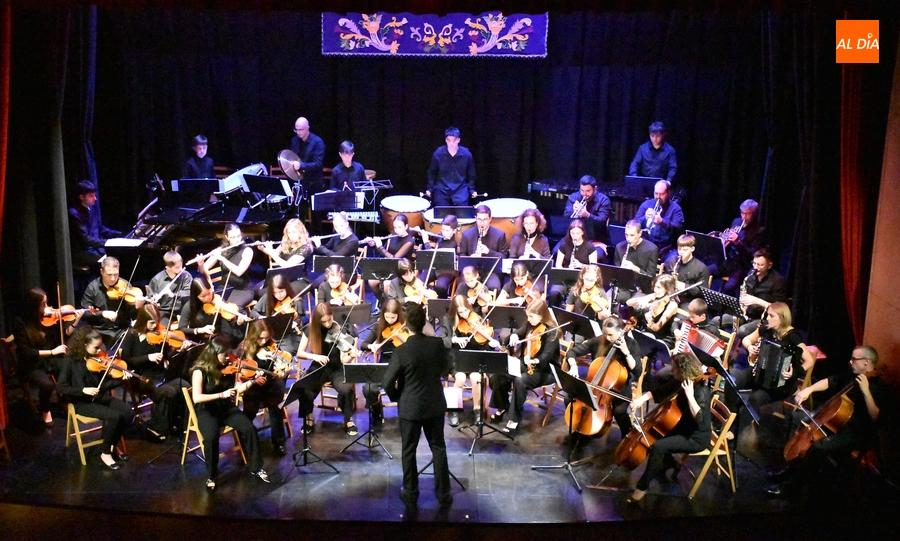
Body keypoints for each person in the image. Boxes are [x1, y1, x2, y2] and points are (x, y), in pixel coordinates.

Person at [767, 345, 892, 495]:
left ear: (866, 362)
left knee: (819, 445)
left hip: (855, 431)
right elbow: (830, 381)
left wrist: (866, 392)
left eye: (854, 359)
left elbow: (875, 417)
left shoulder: (879, 387)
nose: (850, 362)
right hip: (834, 422)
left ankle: (795, 486)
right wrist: (809, 389)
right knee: (798, 418)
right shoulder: (852, 375)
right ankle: (792, 467)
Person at [381, 303, 453, 509]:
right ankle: (444, 494)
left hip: (410, 407)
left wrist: (398, 397)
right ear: (424, 322)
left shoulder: (402, 351)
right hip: (434, 404)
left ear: (406, 325)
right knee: (438, 448)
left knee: (408, 451)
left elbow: (387, 383)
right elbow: (446, 368)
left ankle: (411, 493)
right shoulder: (438, 344)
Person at [627, 351, 711, 502]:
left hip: (695, 437)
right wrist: (640, 400)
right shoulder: (683, 380)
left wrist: (690, 396)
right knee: (657, 433)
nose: (671, 371)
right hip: (684, 426)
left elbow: (699, 418)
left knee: (658, 446)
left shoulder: (701, 391)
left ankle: (642, 486)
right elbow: (662, 390)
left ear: (683, 371)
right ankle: (669, 463)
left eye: (674, 369)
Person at [725, 302, 815, 440]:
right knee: (731, 380)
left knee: (756, 398)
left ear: (782, 318)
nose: (767, 318)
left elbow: (809, 360)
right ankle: (732, 416)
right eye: (768, 314)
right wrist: (750, 347)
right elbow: (747, 339)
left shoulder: (792, 337)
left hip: (780, 383)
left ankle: (735, 430)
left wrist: (794, 372)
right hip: (760, 371)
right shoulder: (766, 329)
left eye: (772, 316)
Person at [190, 335, 269, 491]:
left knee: (249, 428)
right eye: (224, 355)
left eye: (228, 354)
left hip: (226, 408)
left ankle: (256, 467)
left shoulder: (229, 368)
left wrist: (252, 382)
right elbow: (197, 398)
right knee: (211, 438)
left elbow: (237, 388)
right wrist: (221, 394)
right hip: (207, 410)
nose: (228, 358)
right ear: (214, 353)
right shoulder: (199, 371)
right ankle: (211, 476)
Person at [56, 327, 134, 470]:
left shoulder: (97, 361)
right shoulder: (71, 361)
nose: (100, 351)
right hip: (81, 402)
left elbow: (102, 386)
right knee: (114, 417)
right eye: (96, 348)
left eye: (100, 347)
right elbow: (61, 387)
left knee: (128, 412)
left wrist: (121, 379)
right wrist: (82, 390)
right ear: (84, 345)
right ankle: (105, 453)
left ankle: (111, 444)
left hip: (99, 398)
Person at [120, 304, 189, 442]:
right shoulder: (131, 335)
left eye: (156, 322)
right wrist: (147, 358)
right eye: (151, 323)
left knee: (185, 386)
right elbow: (125, 361)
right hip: (140, 377)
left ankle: (176, 423)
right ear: (143, 320)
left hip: (159, 375)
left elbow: (167, 356)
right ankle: (155, 427)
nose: (154, 326)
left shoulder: (158, 334)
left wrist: (177, 351)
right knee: (168, 392)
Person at [489, 299, 560, 434]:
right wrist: (515, 335)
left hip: (546, 369)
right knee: (500, 372)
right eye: (528, 316)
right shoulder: (530, 324)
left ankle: (514, 418)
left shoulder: (553, 332)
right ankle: (503, 406)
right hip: (528, 363)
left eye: (531, 316)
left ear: (541, 315)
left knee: (520, 380)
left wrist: (534, 361)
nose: (529, 319)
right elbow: (519, 332)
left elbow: (546, 356)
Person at [13, 288, 81, 425]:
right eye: (43, 304)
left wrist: (76, 322)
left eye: (46, 303)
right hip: (31, 363)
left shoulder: (47, 319)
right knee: (47, 385)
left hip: (49, 360)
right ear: (33, 306)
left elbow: (65, 334)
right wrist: (52, 352)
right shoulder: (20, 322)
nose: (48, 307)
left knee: (68, 370)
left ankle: (65, 400)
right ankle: (45, 409)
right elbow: (26, 352)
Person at [294, 303, 360, 436]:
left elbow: (343, 360)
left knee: (346, 389)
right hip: (319, 366)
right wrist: (315, 356)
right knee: (304, 388)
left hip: (336, 367)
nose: (327, 323)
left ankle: (348, 419)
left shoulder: (340, 330)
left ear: (332, 315)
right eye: (323, 321)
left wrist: (351, 356)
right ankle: (309, 417)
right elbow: (300, 353)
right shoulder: (310, 329)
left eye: (329, 319)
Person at [441, 295, 500, 426]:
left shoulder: (476, 317)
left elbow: (482, 344)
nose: (464, 314)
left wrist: (489, 344)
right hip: (456, 358)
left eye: (466, 311)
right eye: (460, 312)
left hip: (474, 357)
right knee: (460, 378)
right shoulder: (448, 320)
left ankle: (477, 409)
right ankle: (453, 409)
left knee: (476, 377)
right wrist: (455, 339)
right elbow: (441, 340)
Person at [238, 320, 290, 456]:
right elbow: (239, 372)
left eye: (266, 338)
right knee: (250, 409)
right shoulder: (244, 348)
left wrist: (282, 369)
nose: (263, 341)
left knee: (276, 407)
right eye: (260, 338)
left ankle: (279, 442)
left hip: (271, 383)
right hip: (253, 386)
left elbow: (281, 368)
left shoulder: (271, 346)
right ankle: (246, 438)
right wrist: (253, 378)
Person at [359, 299, 407, 425]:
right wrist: (372, 347)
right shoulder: (379, 326)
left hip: (405, 364)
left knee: (405, 386)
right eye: (387, 317)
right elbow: (363, 345)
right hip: (386, 363)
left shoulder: (405, 324)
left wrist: (402, 339)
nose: (390, 320)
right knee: (368, 389)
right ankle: (376, 410)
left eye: (393, 317)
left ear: (399, 314)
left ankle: (405, 411)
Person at [80, 256, 143, 347]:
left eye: (116, 274)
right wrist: (102, 313)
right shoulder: (93, 287)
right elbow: (84, 313)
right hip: (100, 331)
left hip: (121, 330)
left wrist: (137, 307)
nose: (113, 278)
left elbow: (131, 316)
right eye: (109, 275)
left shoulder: (125, 286)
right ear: (101, 272)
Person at [717, 199, 767, 296]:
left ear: (754, 214)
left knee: (728, 287)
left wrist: (738, 242)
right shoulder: (736, 221)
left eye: (748, 214)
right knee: (706, 270)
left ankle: (729, 308)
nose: (744, 216)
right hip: (728, 262)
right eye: (742, 213)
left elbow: (753, 254)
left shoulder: (759, 231)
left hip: (742, 266)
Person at [365, 214, 416, 307]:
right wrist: (374, 245)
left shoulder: (409, 241)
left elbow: (394, 258)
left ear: (406, 226)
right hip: (389, 267)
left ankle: (392, 307)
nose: (397, 230)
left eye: (400, 227)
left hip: (402, 270)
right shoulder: (392, 236)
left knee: (387, 283)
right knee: (371, 281)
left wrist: (379, 246)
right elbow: (385, 253)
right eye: (395, 227)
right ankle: (384, 304)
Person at [68, 180, 121, 268]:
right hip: (83, 252)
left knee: (119, 257)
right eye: (91, 196)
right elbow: (85, 239)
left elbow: (100, 228)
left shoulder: (91, 209)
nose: (95, 198)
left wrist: (119, 234)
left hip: (95, 250)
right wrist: (107, 242)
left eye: (94, 195)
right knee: (110, 265)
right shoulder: (74, 213)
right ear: (81, 197)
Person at [202, 223, 255, 309]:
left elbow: (239, 272)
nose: (237, 240)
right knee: (212, 308)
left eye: (238, 236)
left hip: (242, 289)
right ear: (227, 237)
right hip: (224, 289)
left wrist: (222, 259)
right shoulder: (222, 250)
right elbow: (203, 269)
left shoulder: (247, 250)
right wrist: (201, 264)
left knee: (230, 309)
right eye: (233, 237)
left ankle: (240, 321)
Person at [458, 205, 509, 291]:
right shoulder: (467, 234)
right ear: (475, 218)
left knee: (494, 287)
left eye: (485, 219)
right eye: (479, 219)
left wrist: (488, 252)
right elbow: (461, 255)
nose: (482, 223)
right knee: (463, 287)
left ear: (490, 219)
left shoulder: (499, 235)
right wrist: (470, 259)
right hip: (471, 270)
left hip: (491, 270)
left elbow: (504, 257)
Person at [251, 273, 305, 354]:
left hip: (289, 335)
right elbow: (253, 312)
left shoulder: (296, 301)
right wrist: (260, 318)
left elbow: (299, 321)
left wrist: (293, 323)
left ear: (287, 288)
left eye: (281, 291)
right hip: (270, 334)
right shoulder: (268, 298)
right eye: (275, 292)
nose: (278, 295)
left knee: (283, 353)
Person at [425, 126, 477, 207]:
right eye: (449, 140)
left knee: (462, 217)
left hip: (461, 190)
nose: (451, 143)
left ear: (458, 140)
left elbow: (471, 174)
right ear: (446, 140)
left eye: (454, 140)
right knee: (441, 217)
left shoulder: (467, 154)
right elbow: (432, 172)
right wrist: (430, 188)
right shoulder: (438, 153)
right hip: (441, 190)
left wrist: (471, 189)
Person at [633, 180, 684, 258]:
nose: (658, 197)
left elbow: (679, 229)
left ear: (668, 193)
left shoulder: (676, 209)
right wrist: (644, 218)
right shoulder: (646, 204)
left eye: (661, 194)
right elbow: (634, 224)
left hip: (666, 248)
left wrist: (662, 222)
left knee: (673, 261)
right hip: (646, 244)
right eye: (656, 193)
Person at [627, 274, 679, 349]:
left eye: (659, 287)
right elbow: (628, 302)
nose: (655, 290)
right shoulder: (654, 296)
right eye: (655, 286)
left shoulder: (672, 305)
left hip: (660, 336)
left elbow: (656, 328)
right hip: (646, 330)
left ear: (668, 289)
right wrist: (639, 301)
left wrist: (649, 320)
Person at [613, 220, 659, 302]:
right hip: (625, 286)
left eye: (632, 235)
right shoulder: (619, 247)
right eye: (626, 235)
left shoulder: (652, 249)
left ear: (640, 233)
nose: (628, 239)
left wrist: (635, 268)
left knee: (635, 306)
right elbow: (615, 274)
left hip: (642, 287)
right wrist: (621, 270)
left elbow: (651, 277)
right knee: (612, 300)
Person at [661, 234, 710, 308]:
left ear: (692, 249)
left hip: (688, 301)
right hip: (669, 296)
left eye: (685, 250)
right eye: (679, 249)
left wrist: (685, 286)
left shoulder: (701, 268)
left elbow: (703, 292)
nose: (681, 252)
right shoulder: (671, 262)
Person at [417, 214, 459, 298]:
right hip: (435, 267)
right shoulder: (442, 236)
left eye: (447, 230)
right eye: (443, 229)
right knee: (418, 282)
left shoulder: (452, 244)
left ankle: (440, 303)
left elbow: (433, 256)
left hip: (447, 271)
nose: (443, 232)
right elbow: (436, 236)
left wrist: (426, 242)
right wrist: (423, 233)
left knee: (440, 286)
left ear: (454, 231)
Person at [146, 251, 191, 327]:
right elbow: (149, 299)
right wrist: (153, 301)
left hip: (182, 310)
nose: (181, 269)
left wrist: (173, 295)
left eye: (181, 266)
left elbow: (189, 293)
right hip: (165, 311)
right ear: (168, 268)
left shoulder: (186, 276)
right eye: (177, 267)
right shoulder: (157, 279)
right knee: (161, 329)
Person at [563, 175, 611, 242]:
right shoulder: (573, 197)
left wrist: (588, 215)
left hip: (596, 237)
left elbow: (602, 222)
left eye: (588, 191)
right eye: (582, 190)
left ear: (595, 189)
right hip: (574, 236)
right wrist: (573, 210)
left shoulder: (604, 200)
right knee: (556, 250)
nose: (584, 194)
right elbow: (565, 216)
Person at [289, 116, 326, 194]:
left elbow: (318, 164)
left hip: (314, 183)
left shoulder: (318, 142)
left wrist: (301, 165)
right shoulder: (294, 141)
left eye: (301, 129)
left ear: (307, 128)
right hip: (300, 181)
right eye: (296, 129)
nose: (298, 132)